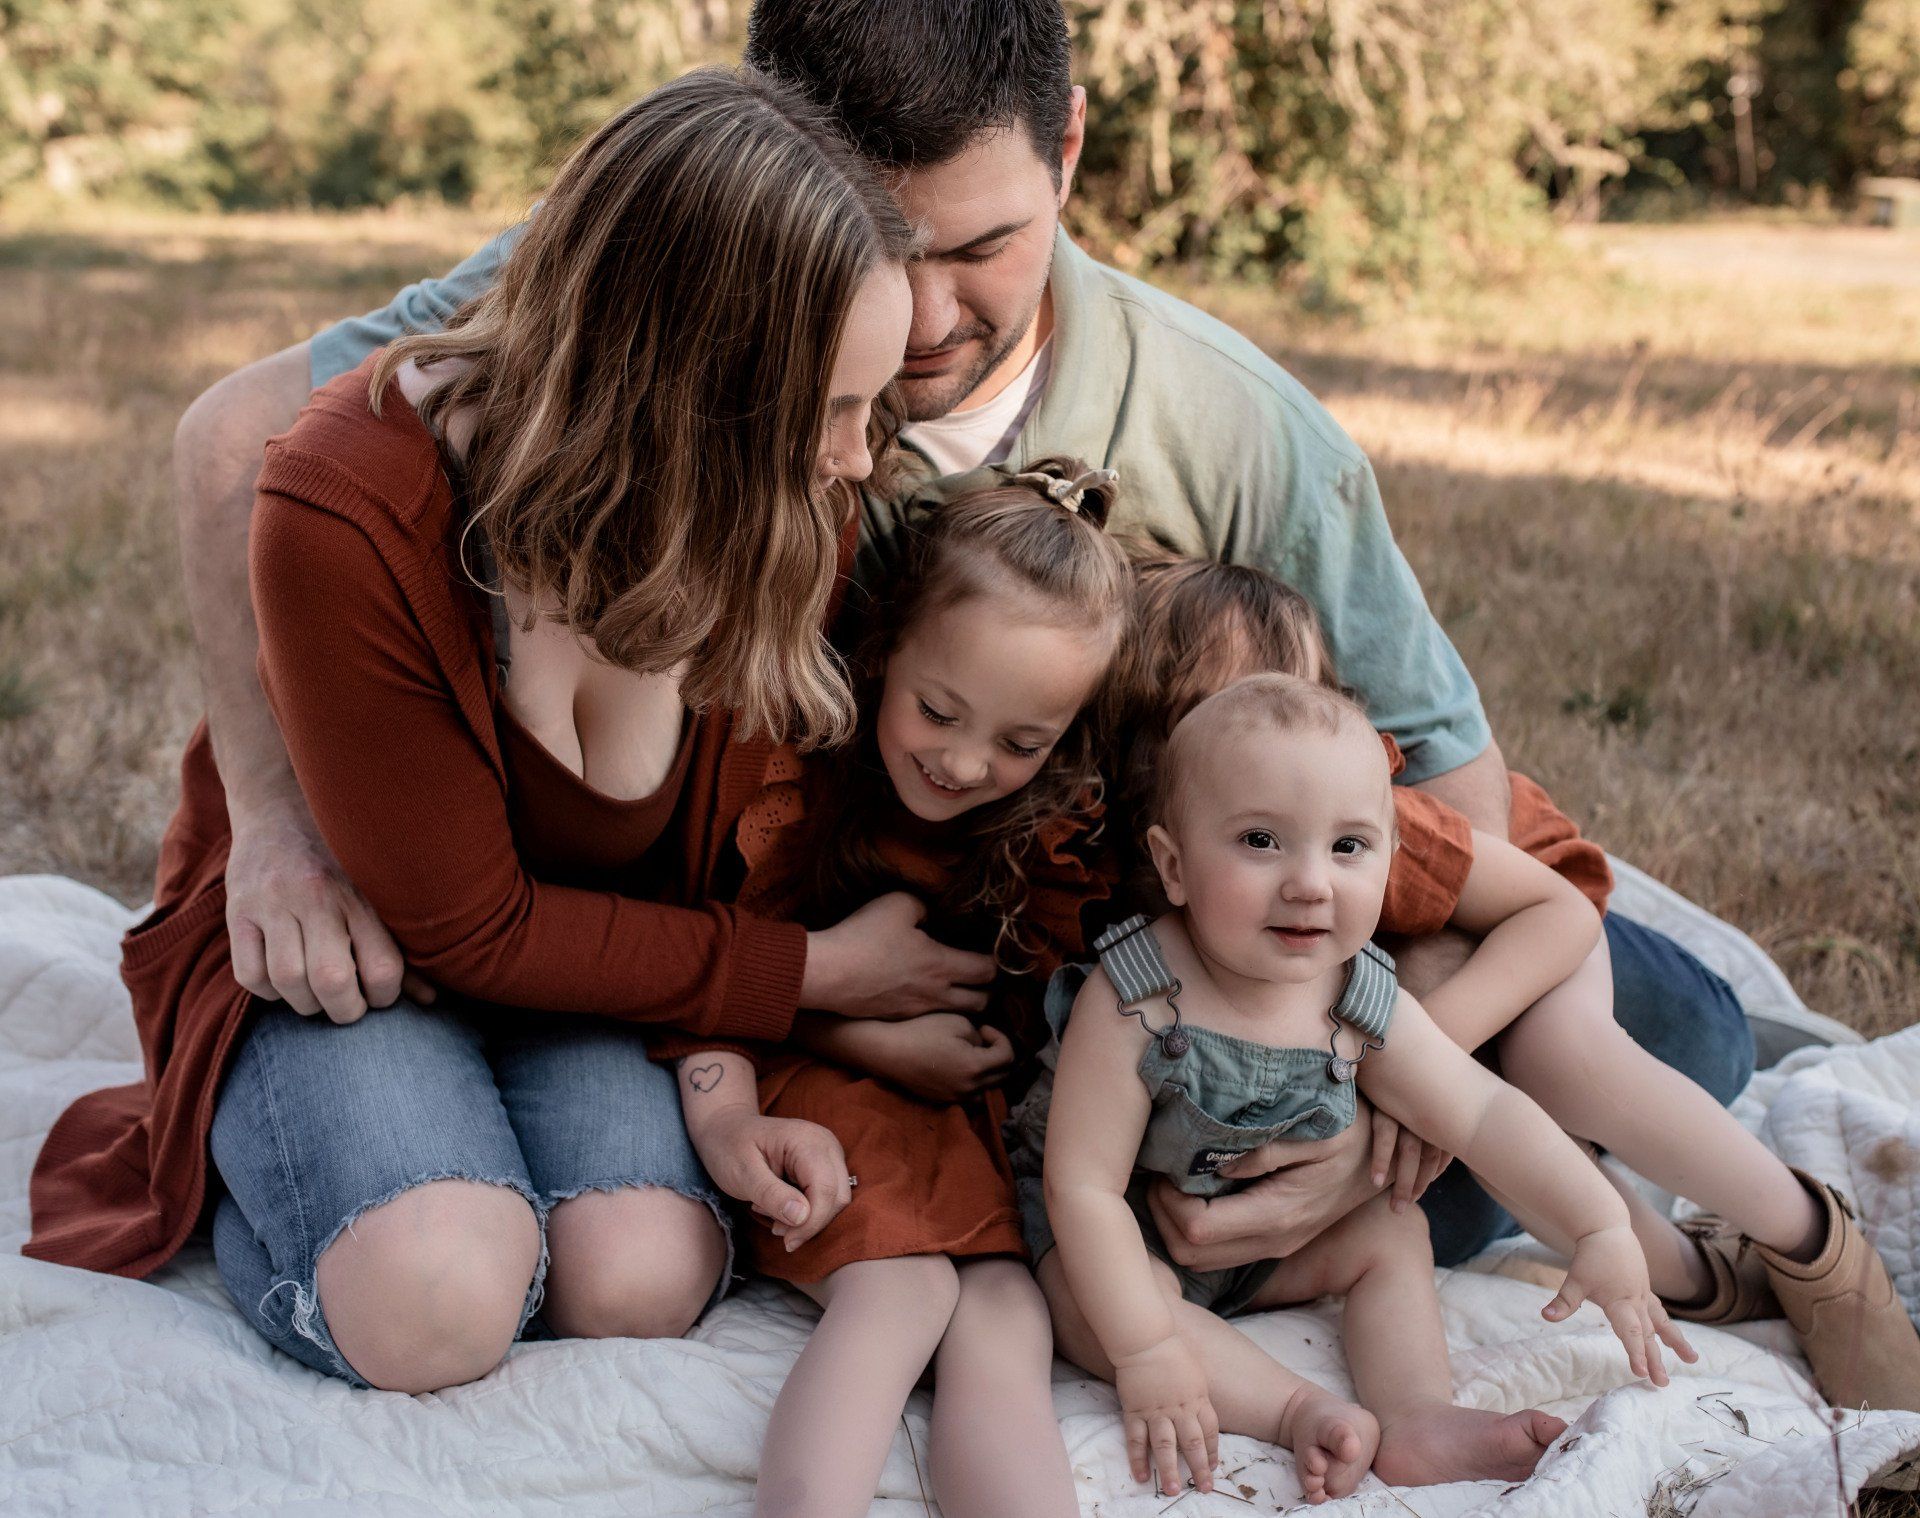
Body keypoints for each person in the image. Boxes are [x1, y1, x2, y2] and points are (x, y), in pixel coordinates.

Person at [159, 0, 1751, 1277]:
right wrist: (277, 823)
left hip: (1128, 926)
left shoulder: (1236, 423)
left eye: (979, 246)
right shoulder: (687, 278)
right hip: (869, 923)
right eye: (881, 252)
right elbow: (241, 439)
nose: (921, 321)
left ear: (1067, 153)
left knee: (1666, 1023)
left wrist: (1375, 1091)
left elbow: (1457, 816)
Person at [25, 67, 968, 1394]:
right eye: (826, 411)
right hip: (359, 954)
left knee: (642, 1273)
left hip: (595, 971)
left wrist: (722, 1065)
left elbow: (738, 856)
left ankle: (449, 1160)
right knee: (440, 1296)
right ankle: (257, 1189)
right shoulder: (353, 501)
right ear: (688, 392)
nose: (859, 459)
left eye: (873, 408)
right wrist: (811, 974)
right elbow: (468, 930)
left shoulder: (780, 507)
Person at [1110, 553, 1920, 1415]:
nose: (1277, 759)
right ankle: (1690, 1274)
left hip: (1533, 915)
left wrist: (1393, 1069)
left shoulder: (1367, 823)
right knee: (1494, 1136)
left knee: (1553, 1059)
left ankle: (1818, 1248)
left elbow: (1556, 914)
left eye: (1294, 718)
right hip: (1384, 994)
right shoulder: (1151, 859)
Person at [1025, 675, 1692, 1502]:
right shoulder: (1134, 997)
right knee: (1083, 1299)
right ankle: (1294, 1408)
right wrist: (1145, 1350)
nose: (1311, 883)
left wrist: (1597, 1224)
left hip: (1270, 1253)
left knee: (1390, 1228)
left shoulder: (1361, 999)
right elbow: (1082, 1188)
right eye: (1261, 841)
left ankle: (1416, 1416)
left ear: (1389, 855)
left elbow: (1484, 1114)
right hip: (1136, 1244)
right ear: (1175, 864)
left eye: (1348, 847)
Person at [664, 459, 1130, 1518]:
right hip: (814, 1097)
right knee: (901, 1290)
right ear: (882, 655)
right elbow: (710, 960)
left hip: (949, 1130)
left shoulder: (1039, 836)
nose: (966, 765)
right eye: (939, 712)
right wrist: (813, 1062)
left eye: (1022, 742)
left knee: (1010, 1313)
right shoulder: (805, 792)